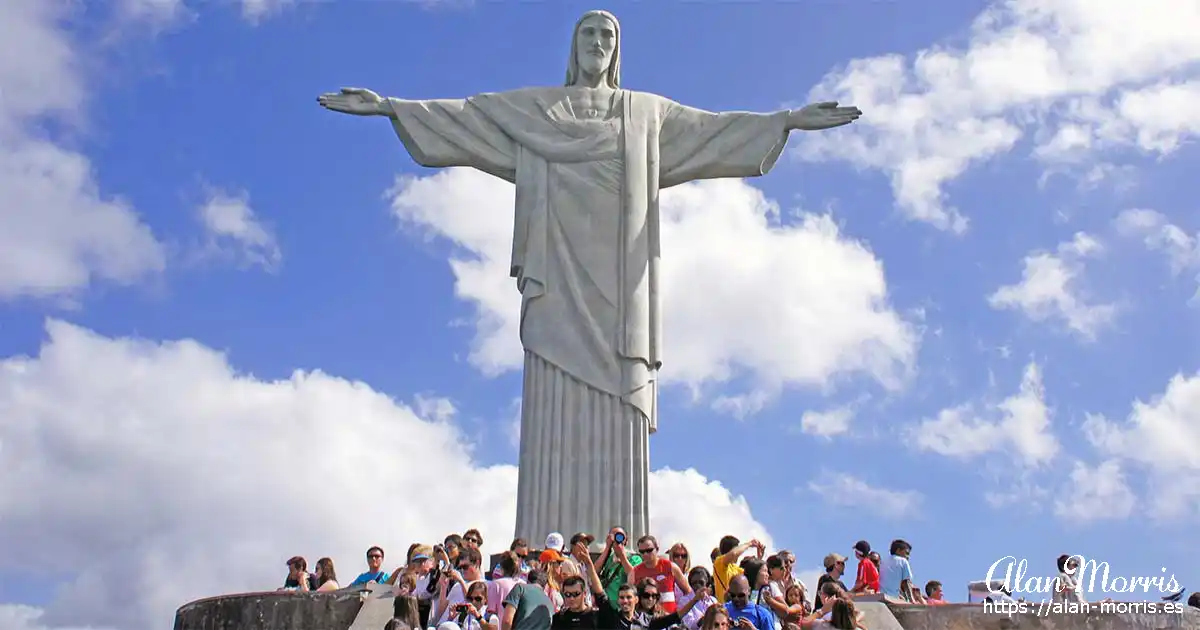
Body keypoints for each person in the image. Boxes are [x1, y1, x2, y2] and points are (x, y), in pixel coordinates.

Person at [316, 9, 862, 543]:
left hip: (621, 284)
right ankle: (540, 543)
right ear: (573, 46)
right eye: (589, 32)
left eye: (607, 34)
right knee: (551, 380)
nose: (598, 41)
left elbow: (713, 131)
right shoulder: (536, 110)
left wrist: (784, 120)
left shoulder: (645, 114)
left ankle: (619, 542)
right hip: (555, 270)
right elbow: (467, 116)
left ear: (617, 49)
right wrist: (391, 107)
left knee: (620, 385)